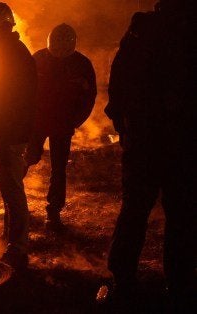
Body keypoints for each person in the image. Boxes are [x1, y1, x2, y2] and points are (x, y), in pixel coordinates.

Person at [99, 0, 196, 311]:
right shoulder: (179, 30)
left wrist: (123, 125)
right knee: (180, 215)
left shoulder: (142, 29)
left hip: (147, 142)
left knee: (136, 210)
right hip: (179, 144)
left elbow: (119, 80)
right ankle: (178, 284)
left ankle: (122, 279)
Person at [0, 2, 37, 271]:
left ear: (0, 27)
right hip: (1, 135)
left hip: (8, 137)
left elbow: (12, 105)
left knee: (13, 191)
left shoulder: (14, 58)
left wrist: (0, 137)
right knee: (8, 189)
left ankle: (18, 248)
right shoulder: (6, 55)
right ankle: (11, 238)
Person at [25, 24, 97, 231]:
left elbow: (89, 97)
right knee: (29, 157)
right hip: (38, 122)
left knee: (58, 169)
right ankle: (11, 194)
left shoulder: (82, 65)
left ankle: (53, 211)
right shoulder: (37, 59)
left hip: (63, 125)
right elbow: (23, 91)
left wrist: (75, 121)